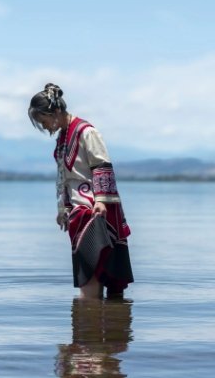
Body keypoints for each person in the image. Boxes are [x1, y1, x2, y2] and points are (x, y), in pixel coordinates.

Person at [28, 83, 134, 299]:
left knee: (95, 273)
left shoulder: (87, 132)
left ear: (56, 112)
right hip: (79, 212)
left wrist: (102, 201)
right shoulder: (63, 138)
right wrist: (63, 208)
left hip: (96, 211)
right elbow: (63, 177)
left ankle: (89, 323)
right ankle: (104, 325)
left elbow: (101, 165)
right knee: (89, 272)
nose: (45, 126)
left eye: (44, 121)